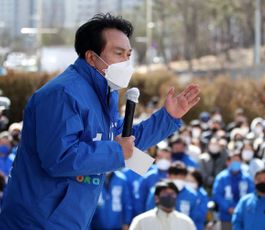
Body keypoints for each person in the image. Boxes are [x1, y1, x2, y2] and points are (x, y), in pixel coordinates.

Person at [0, 13, 200, 229]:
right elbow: (59, 157)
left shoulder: (105, 94)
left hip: (70, 219)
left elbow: (126, 143)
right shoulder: (62, 94)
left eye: (129, 54)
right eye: (119, 53)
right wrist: (116, 152)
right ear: (91, 56)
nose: (126, 61)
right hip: (37, 221)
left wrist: (168, 117)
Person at [145, 162, 198, 226]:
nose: (178, 179)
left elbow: (196, 219)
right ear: (168, 176)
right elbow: (149, 211)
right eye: (175, 176)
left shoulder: (192, 195)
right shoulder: (157, 191)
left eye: (181, 176)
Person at [212, 151, 254, 230]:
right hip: (226, 217)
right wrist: (228, 208)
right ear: (228, 162)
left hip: (243, 217)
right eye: (233, 160)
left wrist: (241, 209)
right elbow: (217, 195)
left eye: (238, 161)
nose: (236, 163)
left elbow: (252, 195)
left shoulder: (247, 178)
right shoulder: (221, 177)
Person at [129, 180, 196, 230]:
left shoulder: (186, 222)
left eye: (172, 193)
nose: (169, 196)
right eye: (165, 193)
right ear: (156, 198)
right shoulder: (141, 221)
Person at [137, 147, 172, 214]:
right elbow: (140, 199)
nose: (164, 160)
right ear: (156, 158)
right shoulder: (148, 176)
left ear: (171, 159)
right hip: (149, 216)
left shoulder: (174, 176)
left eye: (167, 158)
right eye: (161, 157)